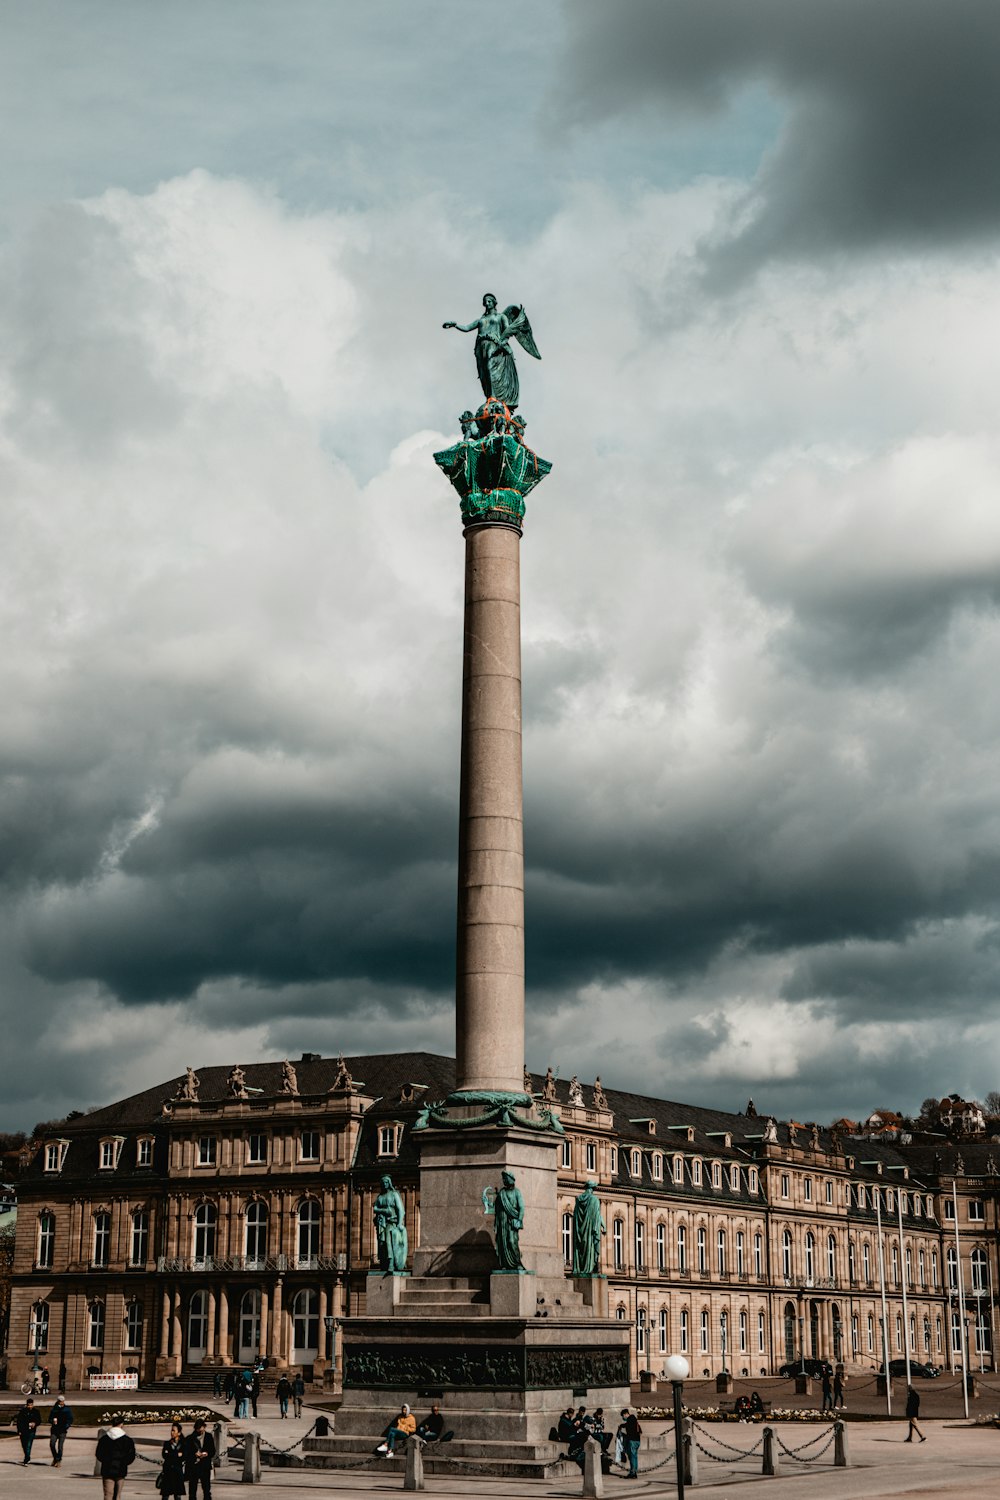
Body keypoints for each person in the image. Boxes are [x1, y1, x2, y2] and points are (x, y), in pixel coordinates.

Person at [96, 1418, 136, 1500]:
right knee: (117, 1495)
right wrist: (125, 1462)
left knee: (108, 1495)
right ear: (122, 1424)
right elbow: (131, 1455)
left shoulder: (104, 1439)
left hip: (107, 1469)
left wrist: (106, 1461)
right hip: (121, 1469)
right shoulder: (127, 1440)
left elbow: (99, 1454)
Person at [184, 1417, 216, 1498]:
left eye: (201, 1428)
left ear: (204, 1427)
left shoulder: (208, 1437)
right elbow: (186, 1452)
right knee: (192, 1490)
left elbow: (212, 1450)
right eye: (198, 1429)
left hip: (205, 1466)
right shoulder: (190, 1438)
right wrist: (194, 1454)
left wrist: (206, 1453)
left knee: (206, 1489)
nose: (200, 1430)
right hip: (193, 1467)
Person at [160, 1422, 186, 1500]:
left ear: (179, 1432)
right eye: (171, 1430)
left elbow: (184, 1456)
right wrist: (177, 1455)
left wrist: (171, 1454)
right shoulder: (167, 1443)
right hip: (168, 1472)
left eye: (174, 1431)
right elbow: (164, 1455)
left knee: (177, 1496)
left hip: (178, 1472)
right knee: (165, 1495)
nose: (172, 1432)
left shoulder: (183, 1444)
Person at [49, 1394, 73, 1466]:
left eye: (62, 1401)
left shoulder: (67, 1410)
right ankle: (55, 1457)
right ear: (58, 1401)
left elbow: (70, 1419)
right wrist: (52, 1421)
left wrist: (66, 1426)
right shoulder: (54, 1409)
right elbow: (49, 1418)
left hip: (62, 1430)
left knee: (60, 1446)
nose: (61, 1403)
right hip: (54, 1430)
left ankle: (59, 1460)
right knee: (52, 1444)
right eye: (60, 1401)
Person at [15, 1396, 40, 1464]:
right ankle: (27, 1456)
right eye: (29, 1405)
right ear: (27, 1405)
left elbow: (39, 1420)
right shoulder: (23, 1412)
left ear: (33, 1404)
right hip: (24, 1430)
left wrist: (35, 1423)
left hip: (31, 1431)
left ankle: (26, 1458)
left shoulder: (36, 1412)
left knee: (28, 1445)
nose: (30, 1406)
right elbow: (19, 1422)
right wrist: (19, 1430)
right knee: (24, 1445)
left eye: (31, 1405)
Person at [622, 1408, 642, 1479]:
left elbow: (629, 1429)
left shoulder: (630, 1419)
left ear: (626, 1414)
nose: (623, 1418)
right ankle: (634, 1471)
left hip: (632, 1441)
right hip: (637, 1441)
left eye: (623, 1416)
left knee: (632, 1457)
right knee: (635, 1456)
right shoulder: (633, 1419)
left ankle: (633, 1472)